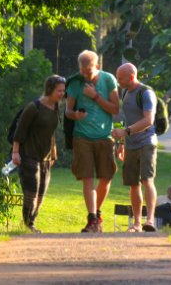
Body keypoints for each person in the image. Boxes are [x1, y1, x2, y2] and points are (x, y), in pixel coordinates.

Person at [65, 50, 119, 233]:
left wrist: (95, 96)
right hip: (82, 137)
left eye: (89, 71)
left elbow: (115, 109)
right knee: (87, 177)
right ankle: (92, 218)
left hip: (104, 136)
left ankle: (97, 213)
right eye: (82, 71)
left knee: (106, 177)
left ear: (97, 66)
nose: (85, 75)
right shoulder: (75, 83)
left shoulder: (108, 80)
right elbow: (68, 111)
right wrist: (76, 115)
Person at [12, 74, 66, 233]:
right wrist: (15, 152)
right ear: (50, 89)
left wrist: (53, 154)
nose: (62, 94)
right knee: (31, 191)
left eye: (63, 91)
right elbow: (20, 130)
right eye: (59, 91)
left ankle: (31, 222)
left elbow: (51, 133)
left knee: (41, 192)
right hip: (29, 155)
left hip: (46, 157)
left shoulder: (55, 107)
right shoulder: (33, 107)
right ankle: (28, 224)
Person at [112, 62, 158, 232]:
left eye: (121, 78)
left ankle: (150, 220)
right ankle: (137, 224)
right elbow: (128, 120)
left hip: (147, 142)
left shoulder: (146, 93)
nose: (118, 81)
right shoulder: (125, 92)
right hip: (130, 144)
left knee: (147, 180)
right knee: (133, 184)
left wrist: (125, 132)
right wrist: (122, 143)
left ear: (131, 77)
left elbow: (148, 120)